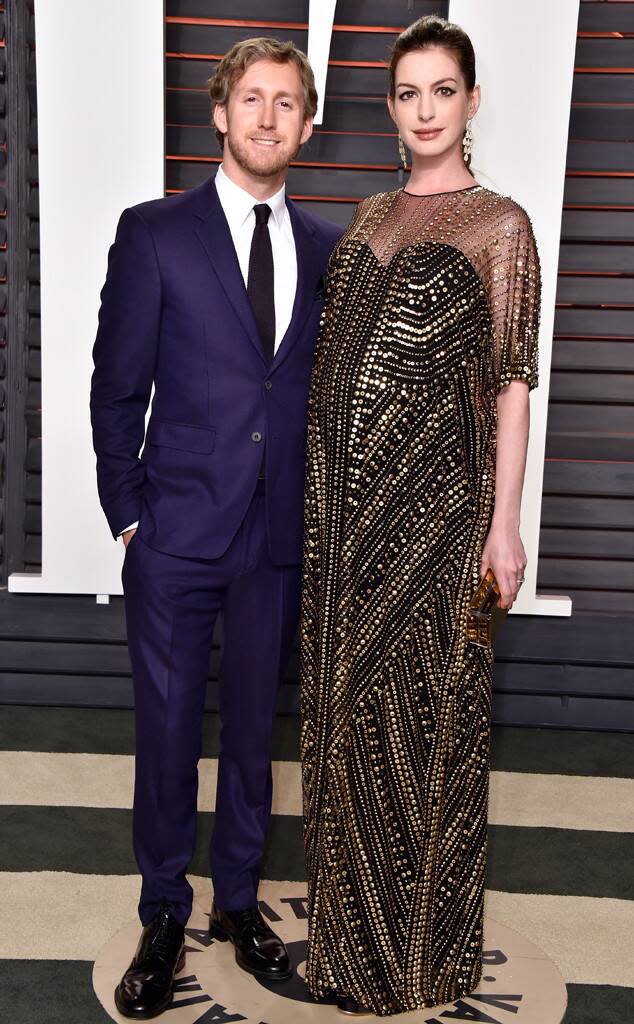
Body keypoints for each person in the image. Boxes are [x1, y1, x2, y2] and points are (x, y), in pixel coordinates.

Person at [90, 37, 341, 1019]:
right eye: (252, 99)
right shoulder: (155, 233)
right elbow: (116, 387)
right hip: (176, 533)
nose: (268, 116)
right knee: (165, 731)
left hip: (276, 536)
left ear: (308, 125)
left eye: (286, 102)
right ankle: (163, 909)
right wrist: (128, 515)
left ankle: (238, 901)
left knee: (250, 734)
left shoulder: (328, 248)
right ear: (220, 113)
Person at [300, 14, 541, 1017]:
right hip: (340, 522)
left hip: (441, 523)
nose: (424, 110)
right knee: (343, 724)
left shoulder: (501, 225)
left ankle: (419, 962)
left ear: (470, 102)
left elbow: (513, 383)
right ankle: (344, 949)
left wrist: (504, 524)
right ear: (390, 107)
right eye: (407, 93)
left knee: (430, 723)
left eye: (442, 90)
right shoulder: (366, 218)